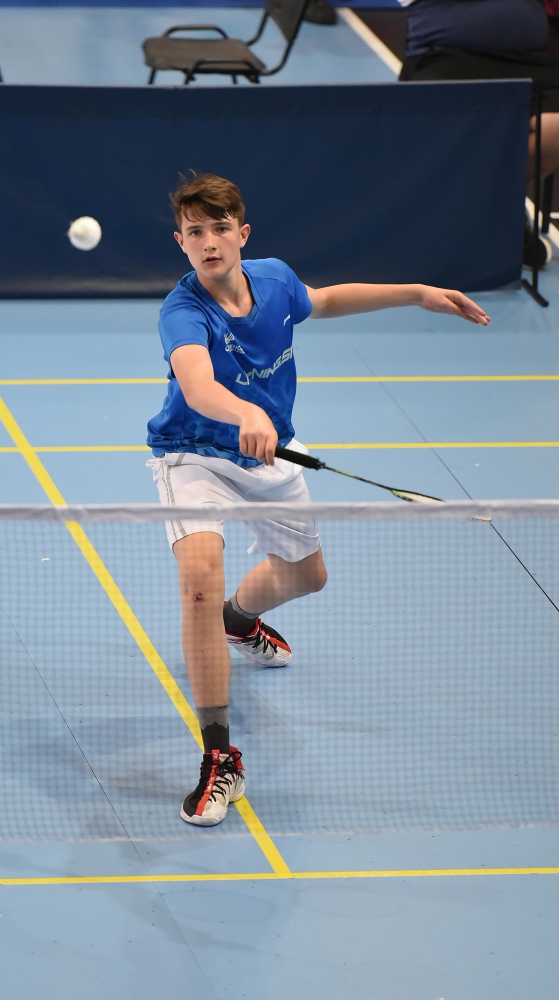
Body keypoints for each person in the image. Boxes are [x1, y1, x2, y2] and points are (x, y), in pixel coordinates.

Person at [146, 173, 490, 827]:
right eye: (195, 232)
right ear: (181, 243)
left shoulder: (274, 280)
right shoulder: (182, 311)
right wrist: (242, 409)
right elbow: (195, 384)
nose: (209, 241)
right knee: (198, 583)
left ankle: (238, 619)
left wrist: (417, 293)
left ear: (242, 234)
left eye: (220, 228)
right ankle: (220, 757)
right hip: (194, 456)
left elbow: (325, 300)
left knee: (307, 576)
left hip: (271, 452)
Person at [397, 0, 559, 266]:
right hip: (444, 57)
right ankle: (499, 215)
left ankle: (494, 206)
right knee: (451, 130)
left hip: (527, 61)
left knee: (554, 127)